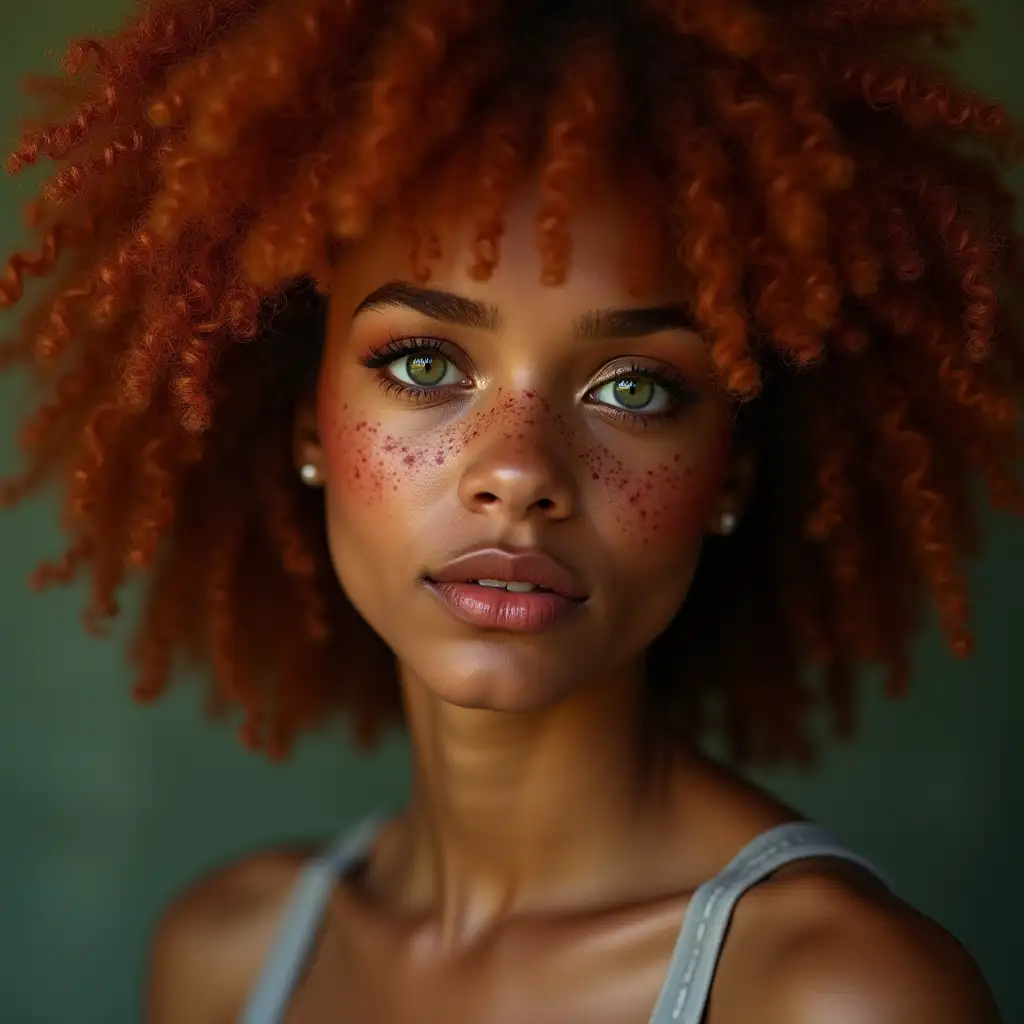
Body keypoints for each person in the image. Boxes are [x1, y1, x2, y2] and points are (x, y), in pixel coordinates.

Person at [1, 0, 1019, 1020]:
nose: (519, 471)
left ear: (731, 474)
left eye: (633, 388)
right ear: (307, 424)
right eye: (425, 362)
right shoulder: (225, 955)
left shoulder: (837, 993)